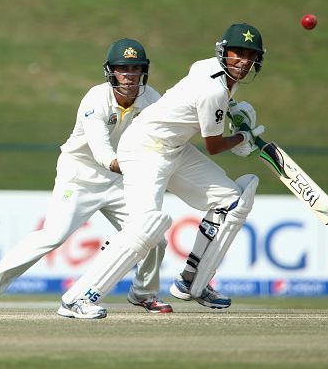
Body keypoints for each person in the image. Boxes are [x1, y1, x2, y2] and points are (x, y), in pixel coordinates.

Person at [59, 23, 266, 316]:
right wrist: (244, 137)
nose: (243, 61)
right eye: (237, 53)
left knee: (231, 201)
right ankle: (78, 299)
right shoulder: (213, 90)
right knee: (146, 226)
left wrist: (233, 112)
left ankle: (193, 282)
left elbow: (209, 107)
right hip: (144, 150)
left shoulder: (207, 69)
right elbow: (214, 144)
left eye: (250, 55)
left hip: (174, 148)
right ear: (223, 52)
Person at [0, 38, 173, 318]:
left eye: (136, 69)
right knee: (53, 235)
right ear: (111, 71)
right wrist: (139, 168)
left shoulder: (153, 101)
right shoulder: (95, 100)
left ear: (144, 71)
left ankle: (144, 293)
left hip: (120, 181)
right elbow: (102, 152)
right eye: (123, 69)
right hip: (80, 175)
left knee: (154, 236)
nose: (129, 75)